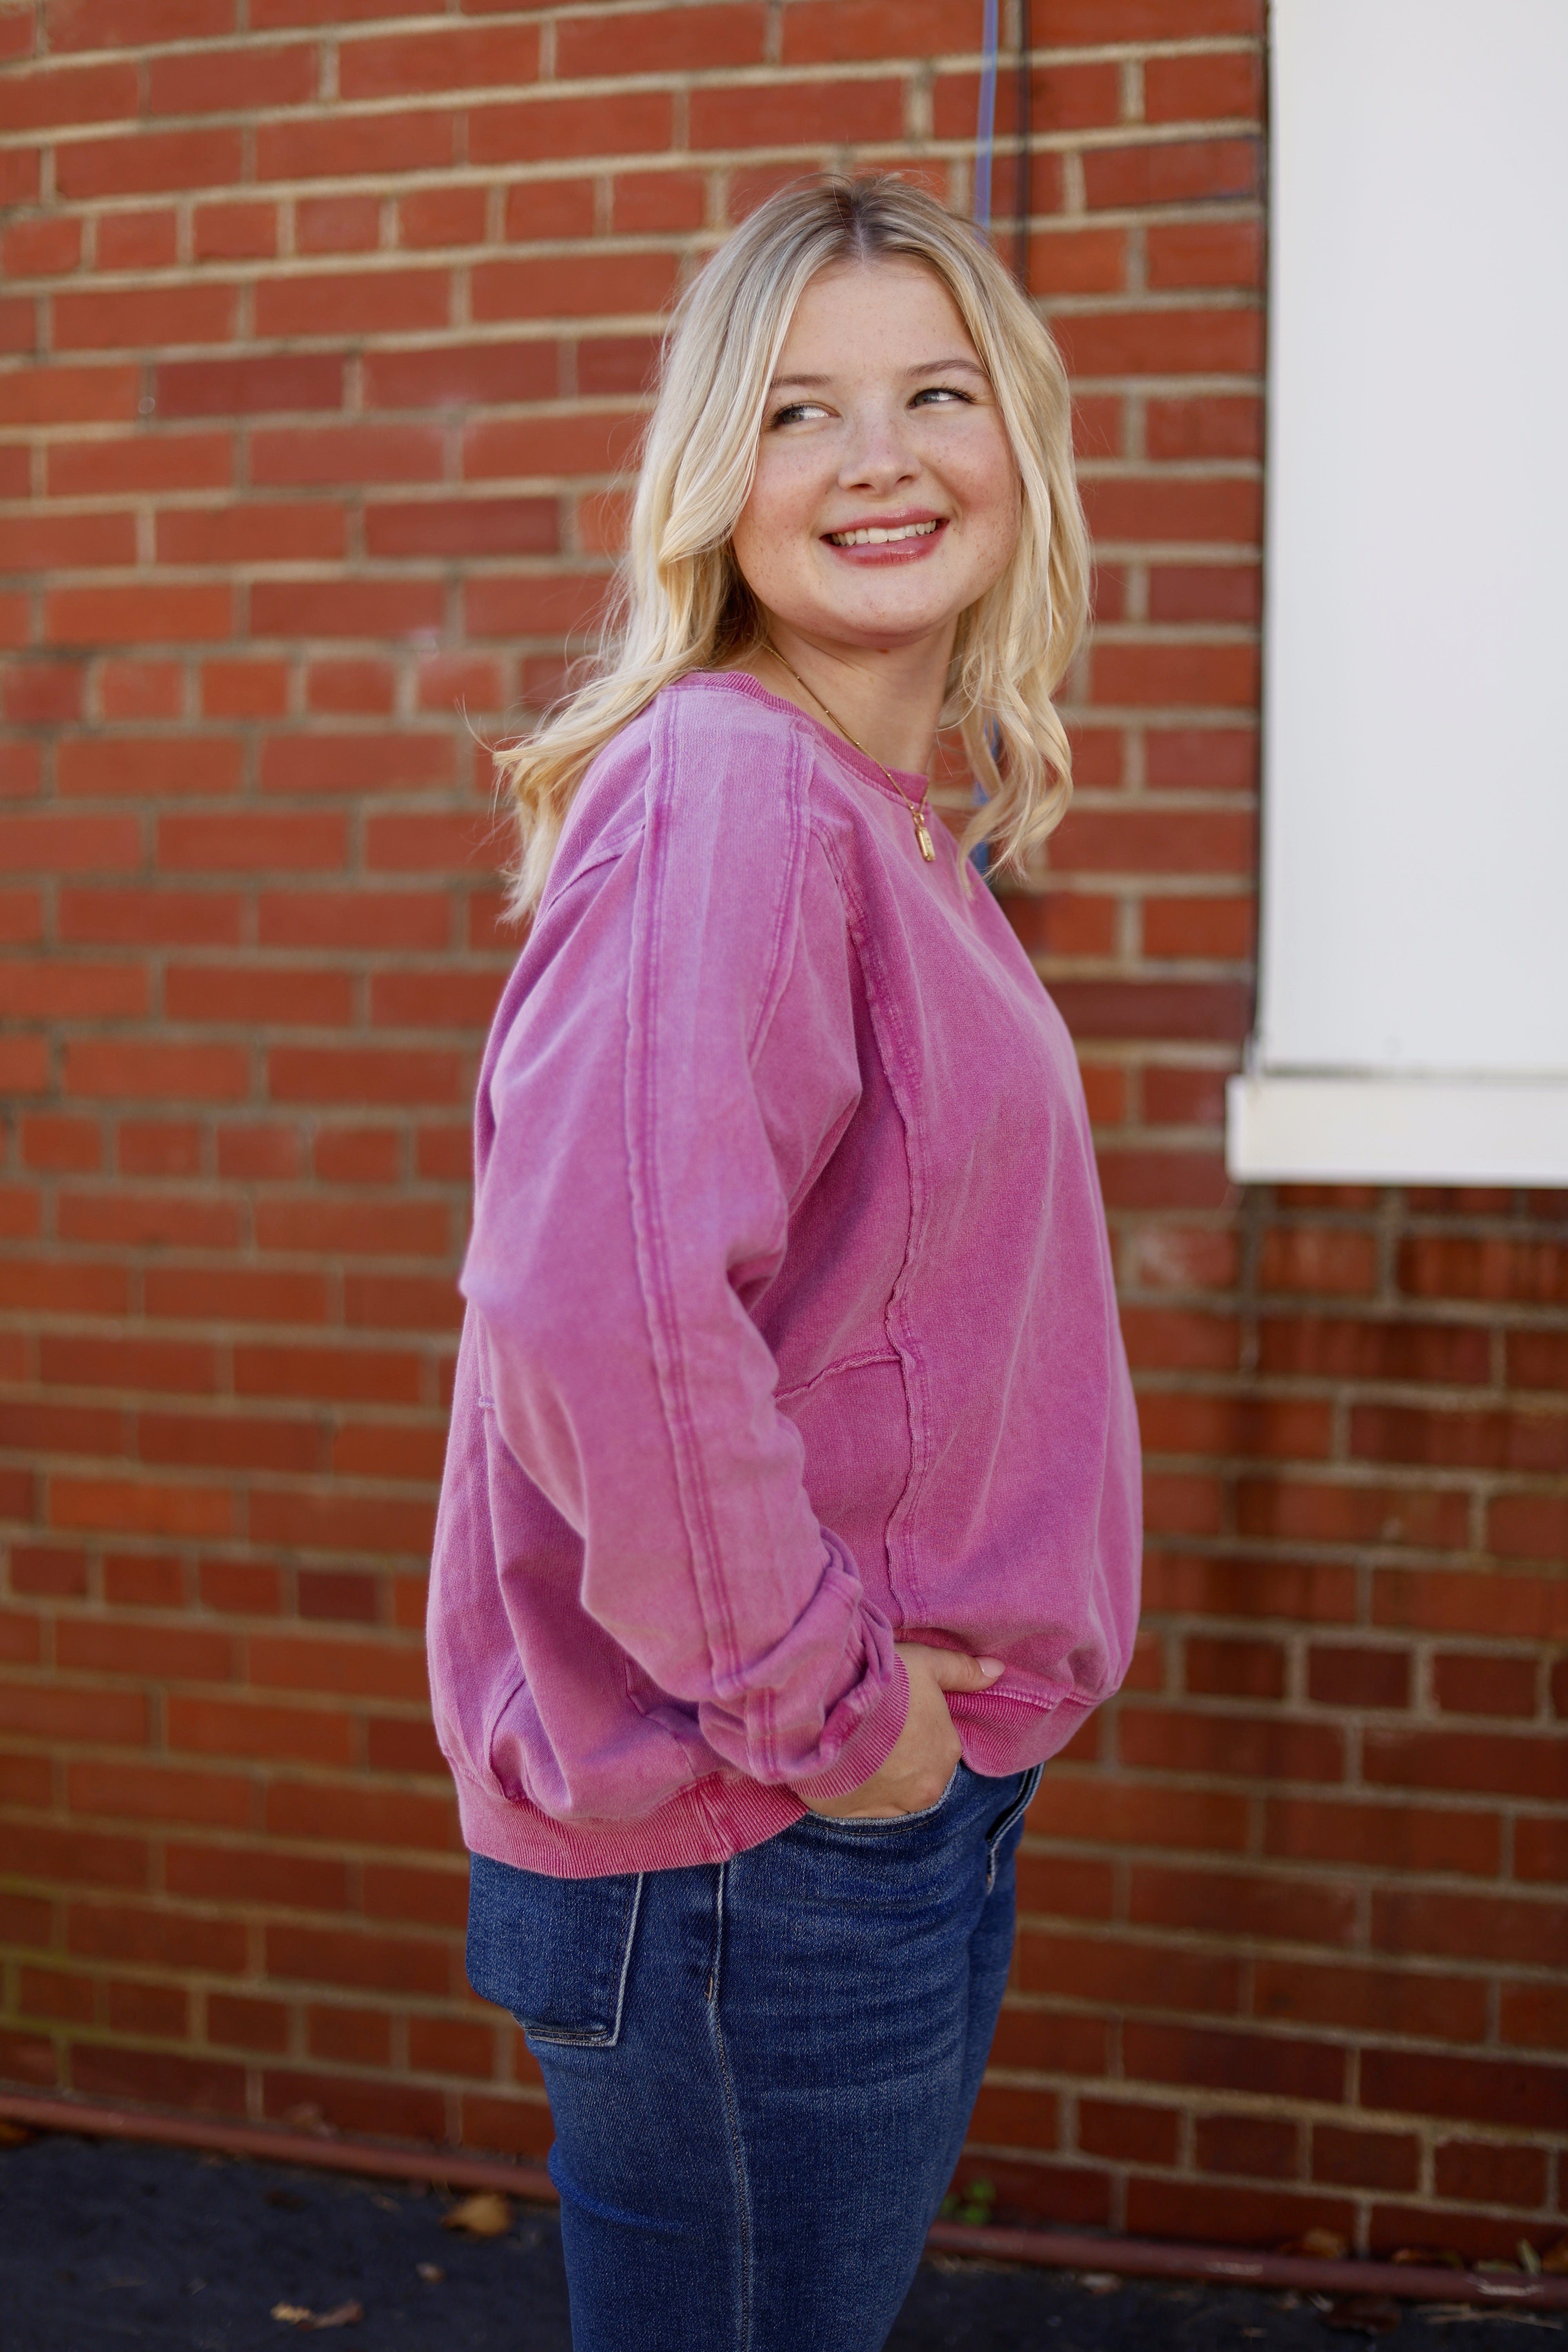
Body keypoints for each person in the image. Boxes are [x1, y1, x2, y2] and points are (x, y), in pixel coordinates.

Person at [426, 174, 1141, 2352]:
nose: (877, 460)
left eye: (936, 393)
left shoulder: (882, 812)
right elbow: (598, 1310)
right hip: (768, 1834)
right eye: (799, 410)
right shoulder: (733, 793)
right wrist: (841, 1719)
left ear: (1019, 438)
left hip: (844, 1817)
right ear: (714, 476)